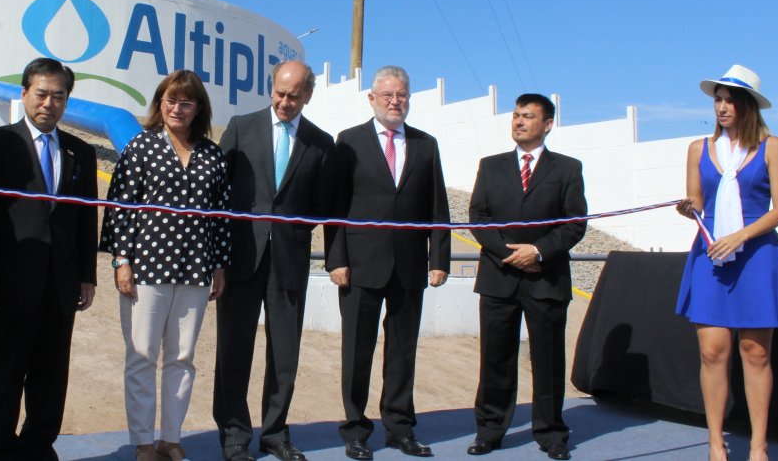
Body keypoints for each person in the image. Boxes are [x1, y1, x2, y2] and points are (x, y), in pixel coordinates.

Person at [100, 70, 230, 461]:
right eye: (171, 100)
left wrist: (219, 265)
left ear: (198, 108)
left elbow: (221, 216)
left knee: (182, 358)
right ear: (160, 103)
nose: (177, 109)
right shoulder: (141, 147)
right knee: (142, 355)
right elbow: (120, 209)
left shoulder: (212, 155)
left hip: (195, 270)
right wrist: (121, 261)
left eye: (186, 102)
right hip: (146, 269)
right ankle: (143, 441)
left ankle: (171, 439)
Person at [675, 65, 778, 461]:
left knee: (755, 352)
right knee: (712, 352)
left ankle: (759, 446)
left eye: (731, 101)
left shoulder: (773, 146)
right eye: (718, 100)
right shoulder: (698, 148)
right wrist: (688, 209)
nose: (722, 107)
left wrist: (741, 235)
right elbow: (697, 203)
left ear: (749, 106)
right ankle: (716, 443)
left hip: (757, 256)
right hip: (711, 254)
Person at [0, 57, 98, 461]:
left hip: (61, 284)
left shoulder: (80, 152)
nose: (49, 103)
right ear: (24, 93)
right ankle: (0, 449)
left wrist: (87, 275)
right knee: (6, 372)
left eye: (58, 96)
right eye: (41, 94)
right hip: (11, 282)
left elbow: (85, 218)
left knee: (51, 374)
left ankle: (39, 447)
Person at [325, 65, 451, 461]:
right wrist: (337, 259)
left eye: (402, 95)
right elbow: (336, 206)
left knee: (402, 351)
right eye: (388, 95)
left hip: (409, 266)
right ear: (372, 99)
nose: (395, 102)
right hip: (360, 266)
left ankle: (399, 428)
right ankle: (355, 430)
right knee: (357, 351)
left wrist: (439, 258)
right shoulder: (349, 141)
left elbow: (438, 206)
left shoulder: (426, 145)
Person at [213, 60, 335, 461]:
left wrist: (293, 233)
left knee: (285, 354)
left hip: (289, 262)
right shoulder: (240, 127)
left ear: (308, 95)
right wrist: (216, 256)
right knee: (234, 349)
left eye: (294, 96)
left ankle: (275, 433)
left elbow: (322, 206)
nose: (285, 102)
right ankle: (234, 434)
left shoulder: (321, 143)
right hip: (241, 258)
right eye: (280, 93)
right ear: (271, 89)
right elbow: (218, 193)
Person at [466, 93, 586, 461]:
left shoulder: (567, 169)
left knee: (547, 359)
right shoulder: (491, 166)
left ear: (547, 124)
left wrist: (537, 251)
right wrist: (510, 254)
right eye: (516, 115)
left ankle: (551, 432)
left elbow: (574, 224)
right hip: (499, 276)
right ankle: (490, 430)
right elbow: (478, 218)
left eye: (528, 116)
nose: (519, 122)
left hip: (546, 278)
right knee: (495, 358)